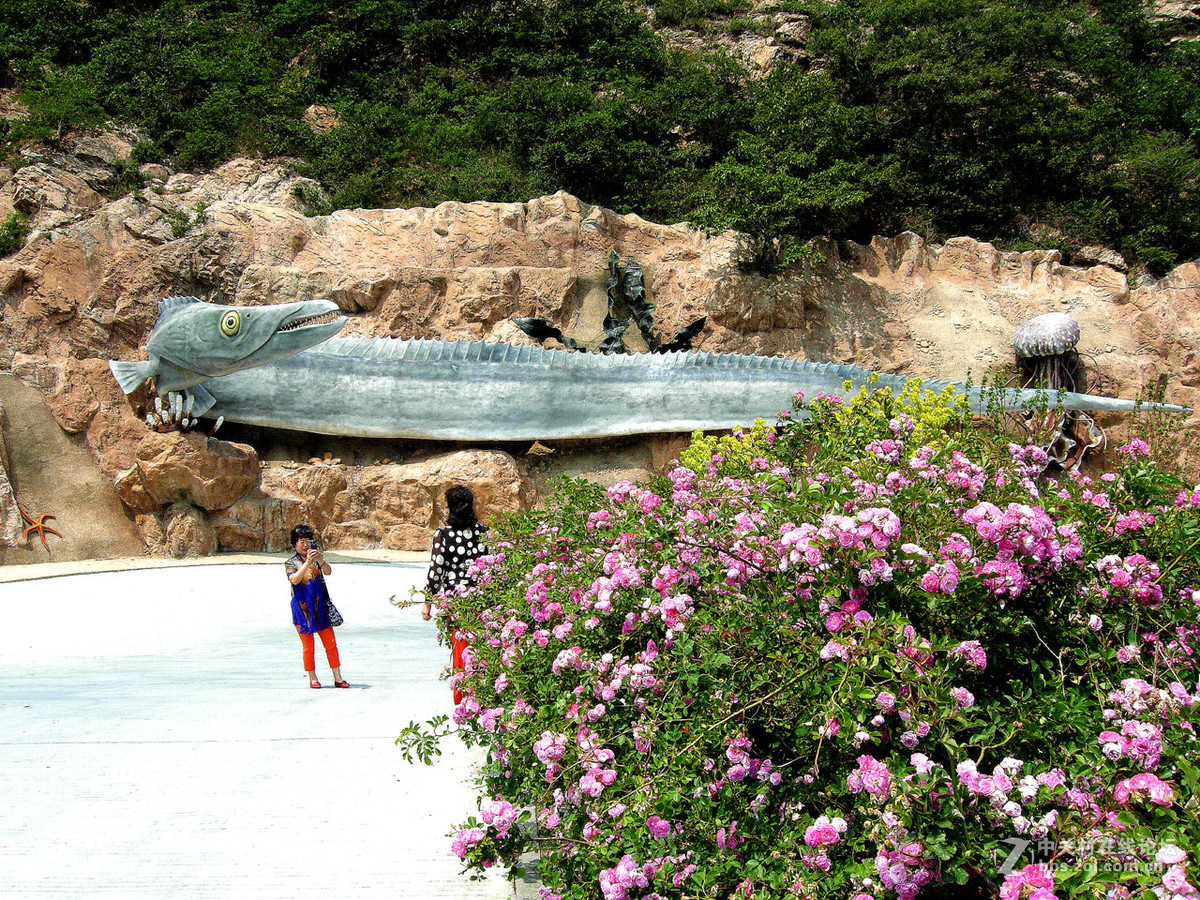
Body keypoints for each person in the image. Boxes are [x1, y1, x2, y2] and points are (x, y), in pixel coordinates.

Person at [423, 486, 489, 703]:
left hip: (457, 601)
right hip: (483, 599)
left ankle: (463, 696)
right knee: (482, 646)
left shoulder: (444, 535)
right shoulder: (483, 532)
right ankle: (482, 694)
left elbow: (436, 570)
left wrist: (428, 602)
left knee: (461, 645)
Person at [286, 524, 348, 689]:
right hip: (302, 610)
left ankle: (338, 677)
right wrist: (307, 563)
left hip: (320, 608)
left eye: (307, 541)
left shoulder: (316, 559)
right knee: (308, 647)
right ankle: (312, 678)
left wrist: (320, 560)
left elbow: (328, 571)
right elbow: (294, 580)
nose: (305, 545)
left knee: (331, 644)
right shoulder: (291, 562)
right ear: (295, 544)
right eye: (301, 541)